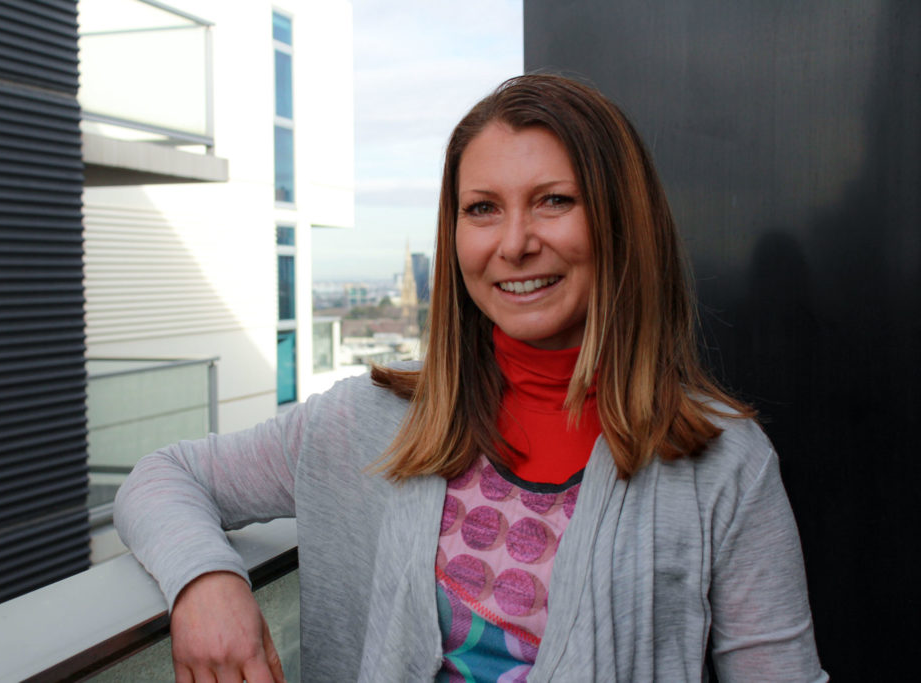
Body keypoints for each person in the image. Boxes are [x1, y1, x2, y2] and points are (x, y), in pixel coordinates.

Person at [115, 74, 826, 682]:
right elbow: (162, 476)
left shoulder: (723, 466)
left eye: (554, 199)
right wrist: (205, 581)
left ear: (620, 221)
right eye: (482, 208)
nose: (514, 243)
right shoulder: (365, 422)